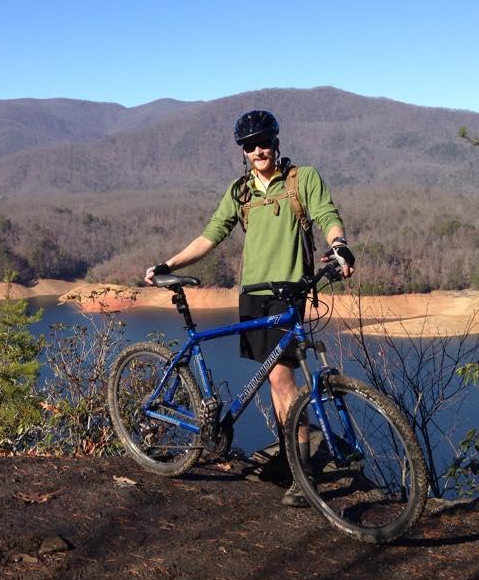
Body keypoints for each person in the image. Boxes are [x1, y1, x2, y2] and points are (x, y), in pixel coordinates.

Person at [144, 109, 355, 507]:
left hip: (288, 292)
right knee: (275, 381)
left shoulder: (301, 179)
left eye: (263, 142)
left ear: (276, 142)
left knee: (282, 381)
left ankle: (301, 475)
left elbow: (327, 215)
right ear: (242, 151)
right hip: (252, 295)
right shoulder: (240, 192)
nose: (257, 150)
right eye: (249, 145)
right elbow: (212, 235)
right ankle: (292, 460)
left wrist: (339, 245)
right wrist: (168, 265)